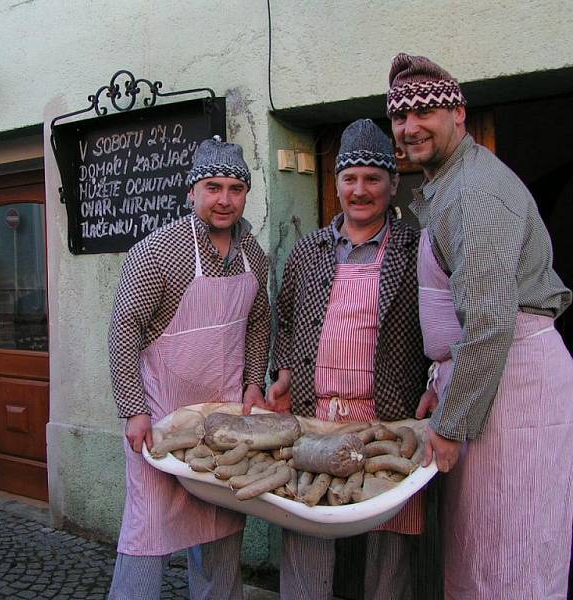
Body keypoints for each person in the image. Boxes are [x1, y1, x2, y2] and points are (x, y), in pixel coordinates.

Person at [386, 52, 573, 598]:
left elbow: (490, 324)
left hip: (514, 388)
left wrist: (450, 424)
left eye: (426, 112)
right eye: (400, 116)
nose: (411, 126)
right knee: (478, 552)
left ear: (459, 113)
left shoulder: (477, 191)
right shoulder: (448, 182)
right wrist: (438, 388)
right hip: (484, 383)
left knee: (509, 554)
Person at [267, 119, 429, 599]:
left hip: (388, 422)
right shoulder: (309, 250)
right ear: (336, 183)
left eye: (372, 178)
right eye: (350, 178)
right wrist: (286, 374)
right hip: (318, 418)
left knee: (390, 541)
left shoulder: (416, 248)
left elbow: (442, 327)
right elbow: (290, 320)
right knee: (308, 523)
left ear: (393, 183)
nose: (360, 190)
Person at [107, 135, 270, 600]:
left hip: (222, 428)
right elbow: (124, 331)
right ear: (192, 191)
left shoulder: (253, 257)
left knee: (219, 531)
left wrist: (254, 384)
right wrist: (134, 410)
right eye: (213, 187)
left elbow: (259, 325)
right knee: (146, 532)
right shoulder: (157, 252)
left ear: (245, 194)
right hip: (160, 424)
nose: (224, 199)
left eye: (235, 188)